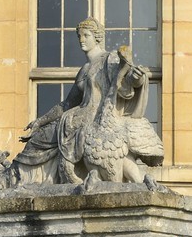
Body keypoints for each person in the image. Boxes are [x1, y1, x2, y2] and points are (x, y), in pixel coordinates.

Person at [12, 18, 160, 187]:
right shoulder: (84, 69)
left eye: (86, 35)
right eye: (79, 36)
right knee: (37, 140)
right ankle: (23, 180)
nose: (81, 40)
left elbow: (127, 82)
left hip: (98, 118)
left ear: (97, 37)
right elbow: (67, 103)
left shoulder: (109, 59)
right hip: (75, 119)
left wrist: (137, 79)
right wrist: (40, 121)